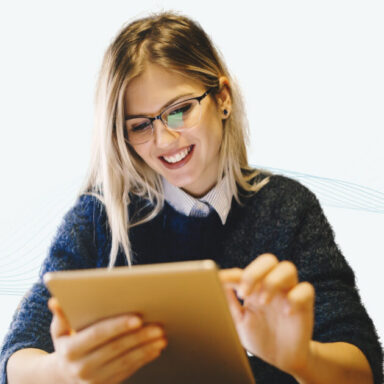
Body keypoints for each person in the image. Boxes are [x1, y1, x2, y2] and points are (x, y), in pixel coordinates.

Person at [1, 11, 382, 384]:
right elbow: (16, 357)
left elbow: (364, 367)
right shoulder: (99, 218)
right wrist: (62, 373)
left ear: (223, 98)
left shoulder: (288, 209)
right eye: (140, 125)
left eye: (180, 110)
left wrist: (301, 358)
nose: (165, 140)